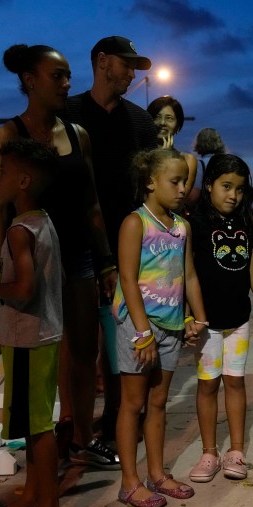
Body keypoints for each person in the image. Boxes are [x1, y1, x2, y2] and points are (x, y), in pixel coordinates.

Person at [0, 44, 118, 470]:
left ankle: (80, 438)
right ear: (29, 79)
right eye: (56, 75)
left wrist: (106, 262)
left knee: (83, 351)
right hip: (32, 260)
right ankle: (43, 445)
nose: (67, 83)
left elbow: (92, 204)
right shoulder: (9, 136)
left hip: (77, 256)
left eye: (67, 75)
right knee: (38, 355)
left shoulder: (78, 134)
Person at [61, 36, 160, 456]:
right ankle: (76, 430)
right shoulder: (66, 114)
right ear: (102, 62)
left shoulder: (140, 122)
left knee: (124, 338)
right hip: (75, 245)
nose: (133, 74)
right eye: (127, 65)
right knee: (80, 345)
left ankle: (117, 424)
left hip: (129, 244)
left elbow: (151, 184)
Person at [0, 138, 63, 507]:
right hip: (40, 335)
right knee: (31, 424)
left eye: (5, 172)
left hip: (28, 339)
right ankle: (32, 496)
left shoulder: (19, 230)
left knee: (39, 428)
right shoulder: (42, 220)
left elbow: (23, 289)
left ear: (23, 180)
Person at [113, 147, 209, 507]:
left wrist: (197, 317)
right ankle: (129, 482)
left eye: (185, 181)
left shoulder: (181, 226)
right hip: (141, 328)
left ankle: (157, 474)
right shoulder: (135, 223)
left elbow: (189, 275)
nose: (183, 188)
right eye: (175, 181)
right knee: (133, 404)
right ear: (151, 182)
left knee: (158, 402)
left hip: (169, 327)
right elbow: (127, 277)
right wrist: (142, 333)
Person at [187, 154, 253, 484]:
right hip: (207, 323)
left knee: (235, 382)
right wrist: (190, 317)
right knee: (208, 385)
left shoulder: (244, 223)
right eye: (226, 186)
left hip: (238, 321)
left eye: (239, 189)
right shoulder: (194, 224)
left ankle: (236, 451)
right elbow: (188, 274)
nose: (233, 195)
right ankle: (209, 452)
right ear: (208, 185)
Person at [147, 95, 198, 197]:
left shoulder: (188, 161)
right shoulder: (140, 156)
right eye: (157, 117)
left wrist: (166, 158)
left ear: (178, 126)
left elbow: (179, 198)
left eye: (169, 118)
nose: (162, 123)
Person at [185, 127, 226, 207]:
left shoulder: (200, 165)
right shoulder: (226, 163)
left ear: (199, 143)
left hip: (206, 212)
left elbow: (193, 197)